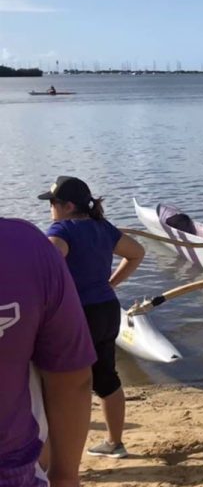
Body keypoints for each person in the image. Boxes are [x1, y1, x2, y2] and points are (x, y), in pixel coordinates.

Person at [38, 176, 145, 459]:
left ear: (67, 205)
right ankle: (114, 443)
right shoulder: (103, 227)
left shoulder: (61, 231)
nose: (50, 209)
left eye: (52, 203)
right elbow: (137, 253)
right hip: (107, 309)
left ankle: (55, 451)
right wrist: (110, 284)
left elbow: (47, 264)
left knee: (62, 383)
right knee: (106, 378)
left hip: (76, 315)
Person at [0, 217, 95, 487]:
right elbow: (71, 381)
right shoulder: (27, 245)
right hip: (9, 483)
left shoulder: (51, 238)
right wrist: (64, 475)